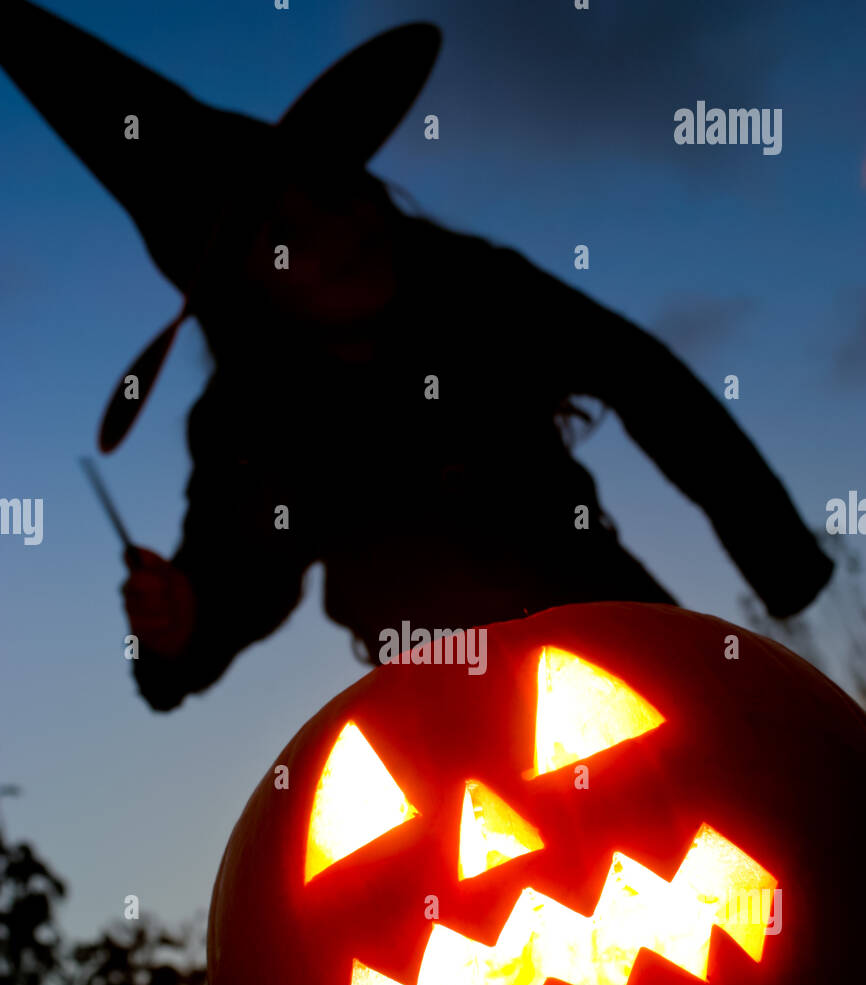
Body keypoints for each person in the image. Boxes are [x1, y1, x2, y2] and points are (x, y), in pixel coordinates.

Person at [2, 4, 833, 712]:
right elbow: (240, 570)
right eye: (286, 236)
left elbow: (643, 376)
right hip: (432, 691)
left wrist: (780, 561)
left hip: (614, 626)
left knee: (725, 787)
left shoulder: (478, 285)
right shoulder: (248, 423)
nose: (337, 237)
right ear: (248, 295)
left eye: (335, 195)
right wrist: (183, 632)